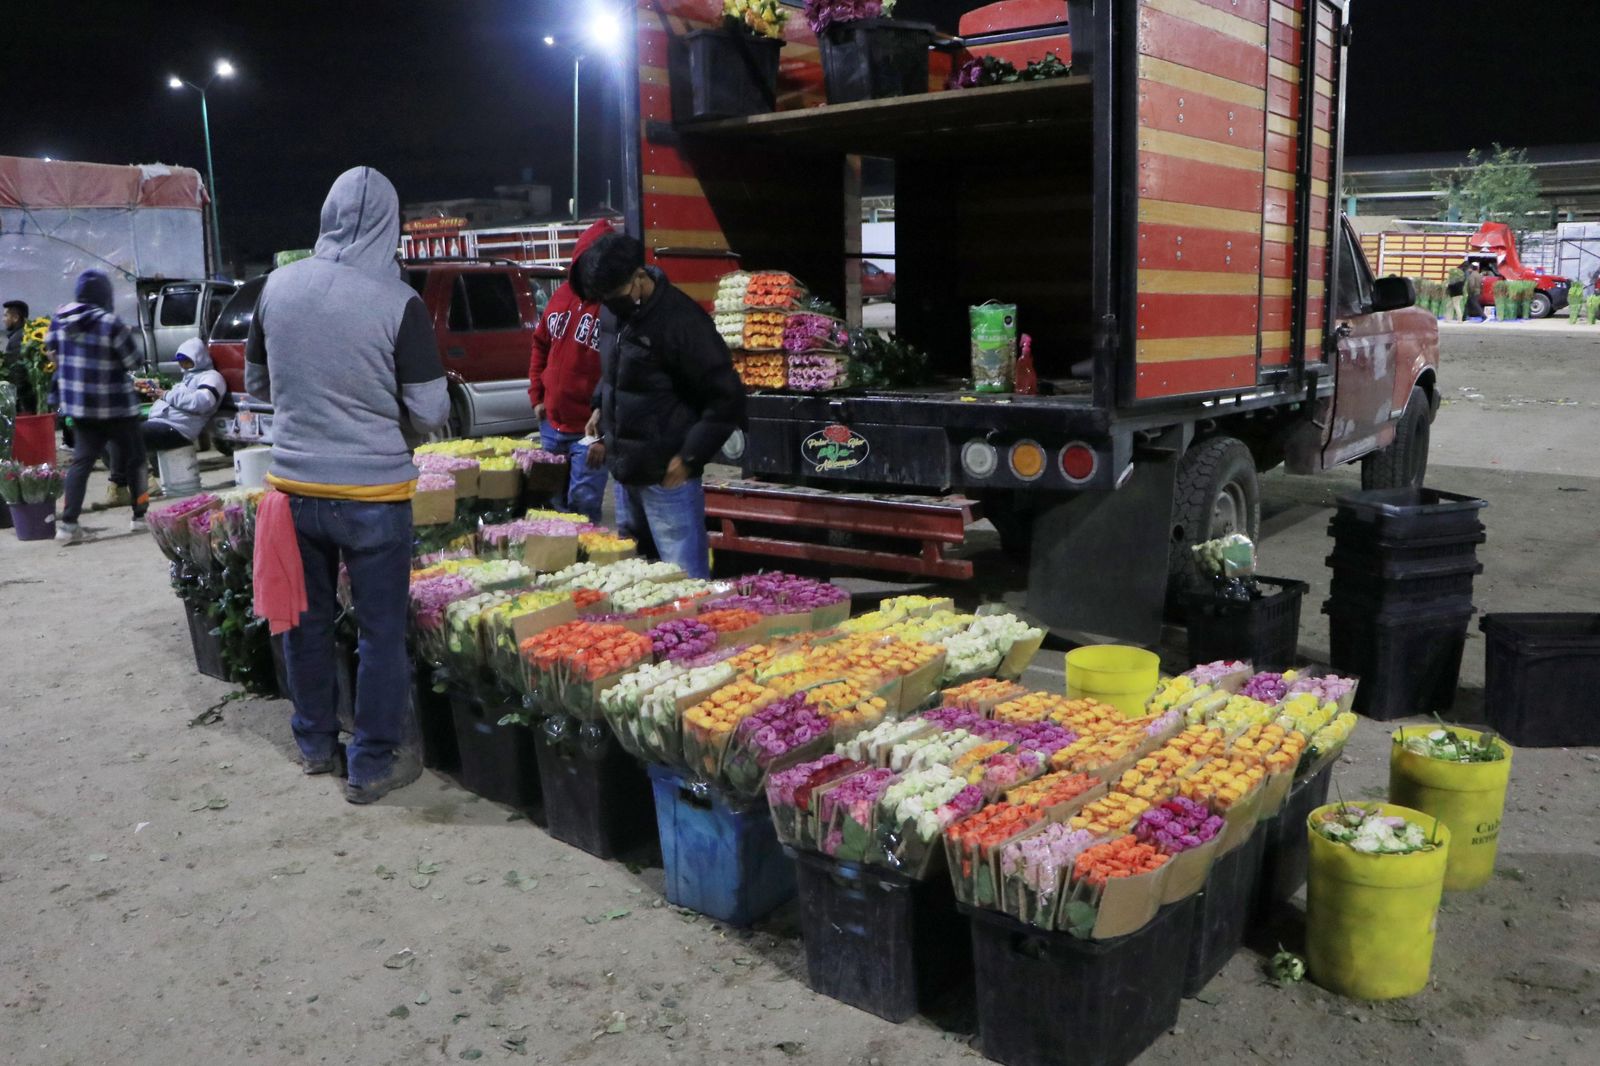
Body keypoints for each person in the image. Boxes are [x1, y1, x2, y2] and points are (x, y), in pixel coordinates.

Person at [246, 166, 450, 804]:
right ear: (391, 225)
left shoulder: (277, 287)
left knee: (304, 624)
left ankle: (314, 745)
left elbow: (257, 387)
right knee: (380, 632)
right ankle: (372, 763)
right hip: (373, 498)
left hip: (295, 492)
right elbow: (431, 412)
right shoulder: (398, 302)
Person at [579, 233, 744, 580]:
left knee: (684, 583)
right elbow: (617, 371)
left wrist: (689, 458)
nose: (610, 307)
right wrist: (599, 407)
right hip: (626, 474)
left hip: (668, 479)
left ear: (640, 278)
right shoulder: (618, 314)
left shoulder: (682, 321)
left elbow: (726, 397)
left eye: (616, 297)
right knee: (638, 581)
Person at [48, 271, 149, 541]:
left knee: (81, 462)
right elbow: (133, 361)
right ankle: (139, 517)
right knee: (136, 460)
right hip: (117, 408)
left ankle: (68, 526)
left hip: (80, 408)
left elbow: (51, 352)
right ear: (106, 296)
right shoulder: (110, 323)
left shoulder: (58, 321)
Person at [527, 218, 613, 524]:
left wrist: (605, 435)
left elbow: (620, 372)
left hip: (588, 432)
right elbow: (540, 345)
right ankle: (555, 569)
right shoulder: (561, 295)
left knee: (583, 509)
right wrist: (537, 396)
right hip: (551, 426)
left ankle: (583, 570)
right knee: (548, 509)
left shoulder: (614, 306)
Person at [4, 299, 34, 412]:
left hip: (24, 401)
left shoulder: (17, 339)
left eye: (6, 316)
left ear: (15, 318)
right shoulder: (26, 334)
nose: (3, 320)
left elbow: (17, 372)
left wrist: (19, 403)